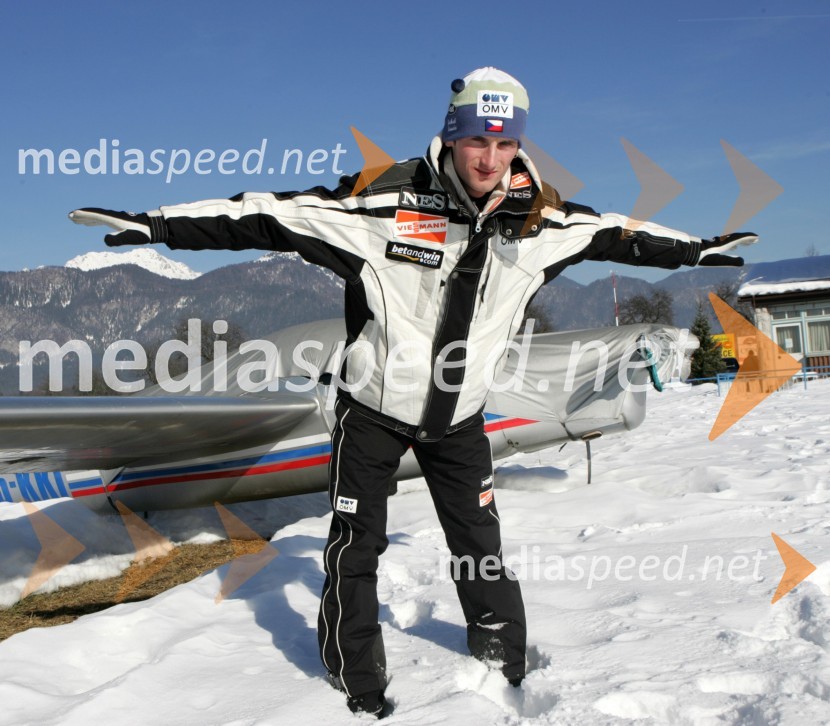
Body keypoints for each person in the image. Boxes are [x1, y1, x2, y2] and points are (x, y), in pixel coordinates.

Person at [70, 67, 757, 719]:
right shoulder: (383, 206)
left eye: (504, 142)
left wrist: (696, 251)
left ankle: (503, 662)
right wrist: (156, 225)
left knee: (479, 546)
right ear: (451, 136)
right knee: (355, 549)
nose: (489, 158)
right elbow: (265, 214)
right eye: (476, 141)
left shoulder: (541, 223)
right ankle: (358, 684)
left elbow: (620, 235)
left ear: (518, 145)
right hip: (372, 415)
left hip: (458, 420)